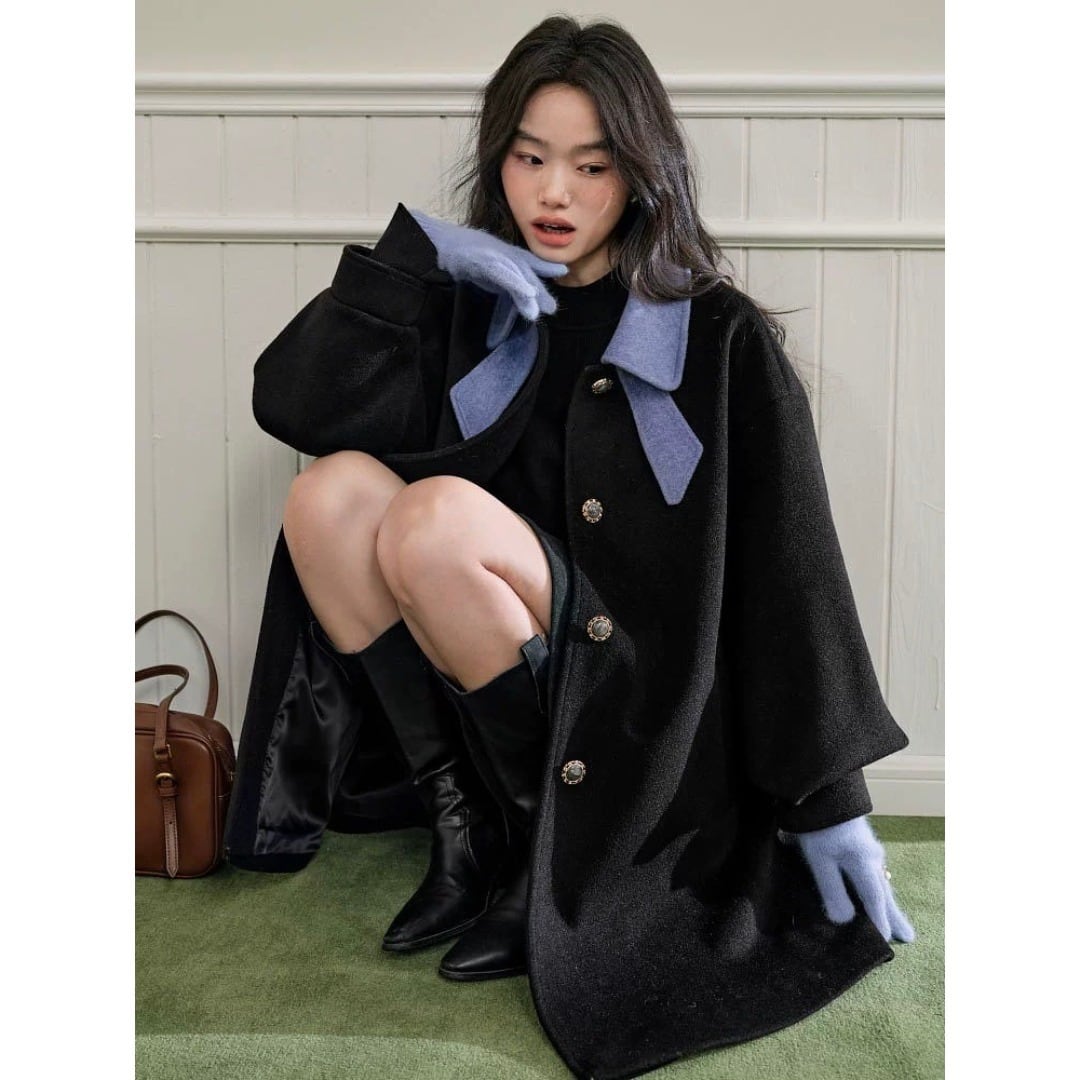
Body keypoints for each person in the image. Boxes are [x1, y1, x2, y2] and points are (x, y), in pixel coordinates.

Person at [224, 15, 916, 1079]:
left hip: (635, 695)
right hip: (496, 664)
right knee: (328, 493)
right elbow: (290, 403)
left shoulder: (717, 335)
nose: (554, 194)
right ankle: (472, 831)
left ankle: (536, 860)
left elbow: (793, 572)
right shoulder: (473, 307)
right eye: (529, 159)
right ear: (498, 159)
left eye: (591, 167)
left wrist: (831, 802)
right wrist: (416, 259)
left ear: (640, 175)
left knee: (430, 514)